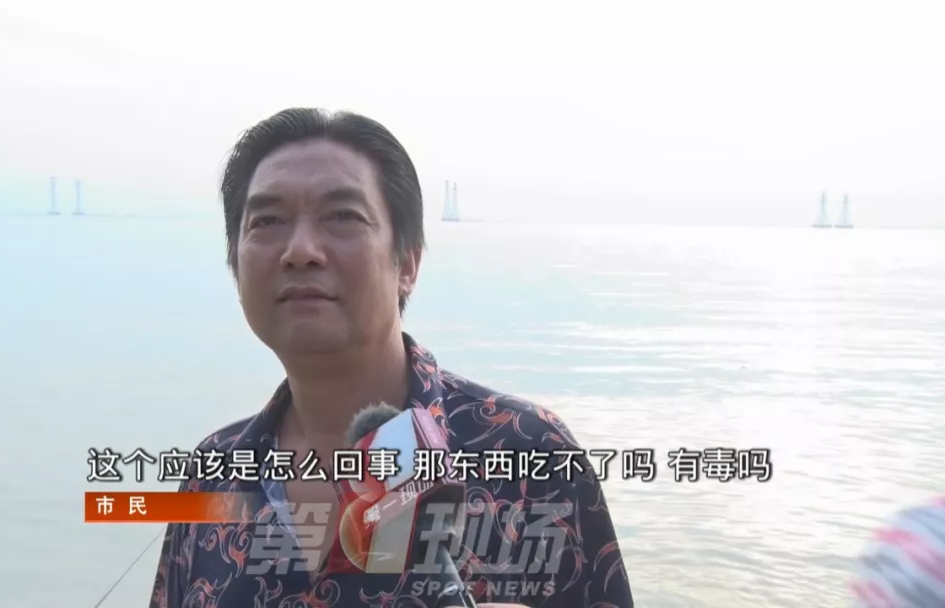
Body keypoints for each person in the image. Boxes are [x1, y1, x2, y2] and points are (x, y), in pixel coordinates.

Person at [147, 107, 634, 608]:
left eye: (342, 217)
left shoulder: (531, 454)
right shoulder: (214, 471)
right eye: (267, 221)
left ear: (407, 263)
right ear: (235, 265)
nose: (300, 250)